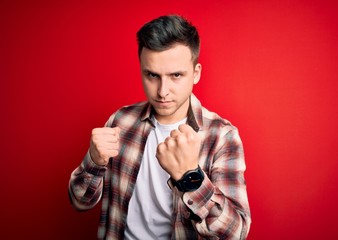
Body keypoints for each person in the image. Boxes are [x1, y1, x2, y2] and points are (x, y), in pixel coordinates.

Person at [68, 15, 251, 239]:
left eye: (176, 75)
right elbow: (80, 202)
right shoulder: (120, 122)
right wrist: (94, 162)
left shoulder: (221, 136)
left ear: (196, 73)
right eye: (152, 75)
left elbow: (236, 233)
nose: (162, 91)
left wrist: (190, 177)